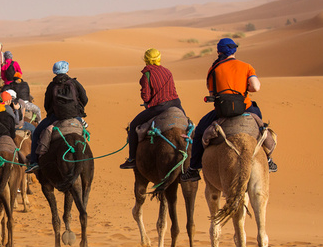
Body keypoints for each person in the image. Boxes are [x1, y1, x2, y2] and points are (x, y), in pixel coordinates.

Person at [180, 38, 277, 182]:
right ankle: (268, 160)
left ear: (219, 51)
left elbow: (212, 94)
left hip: (222, 110)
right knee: (261, 126)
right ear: (234, 50)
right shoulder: (246, 67)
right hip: (246, 107)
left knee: (200, 129)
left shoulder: (214, 69)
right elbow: (255, 87)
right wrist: (245, 88)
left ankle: (194, 169)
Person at [119, 48, 185, 169]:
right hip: (176, 104)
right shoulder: (167, 71)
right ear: (159, 58)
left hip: (159, 107)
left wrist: (147, 101)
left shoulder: (147, 75)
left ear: (146, 60)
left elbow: (146, 96)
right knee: (188, 126)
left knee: (133, 125)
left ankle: (132, 159)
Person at [25, 61, 88, 173]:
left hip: (56, 117)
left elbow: (46, 104)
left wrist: (53, 113)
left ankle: (34, 162)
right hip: (74, 116)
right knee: (84, 130)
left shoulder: (51, 85)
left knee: (36, 133)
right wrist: (78, 111)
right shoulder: (74, 83)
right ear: (67, 70)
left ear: (55, 72)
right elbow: (84, 98)